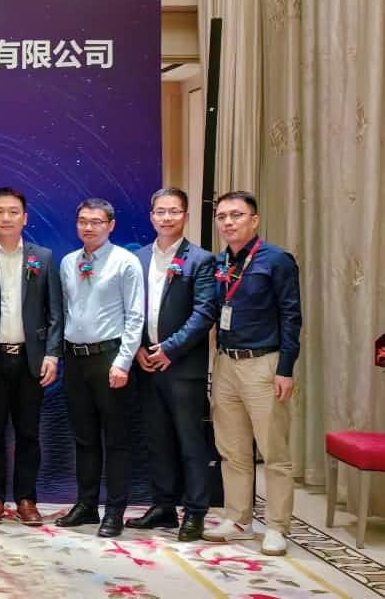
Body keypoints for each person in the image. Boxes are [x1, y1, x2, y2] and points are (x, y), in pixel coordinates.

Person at [202, 191, 302, 557]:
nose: (228, 222)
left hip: (264, 364)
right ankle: (237, 518)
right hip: (226, 362)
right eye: (222, 216)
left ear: (254, 220)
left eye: (237, 215)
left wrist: (285, 369)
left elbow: (292, 316)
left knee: (274, 451)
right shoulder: (218, 262)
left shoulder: (277, 260)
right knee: (232, 449)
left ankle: (276, 526)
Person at [126, 187, 217, 541]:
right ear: (151, 216)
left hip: (182, 367)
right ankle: (163, 506)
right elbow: (129, 309)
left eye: (174, 211)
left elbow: (204, 313)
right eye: (160, 211)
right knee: (157, 440)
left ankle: (195, 511)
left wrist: (170, 349)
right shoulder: (138, 258)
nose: (167, 218)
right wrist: (138, 349)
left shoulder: (201, 260)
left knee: (191, 442)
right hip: (147, 364)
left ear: (186, 216)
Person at [54, 197, 144, 537]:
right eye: (83, 221)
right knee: (84, 437)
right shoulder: (68, 262)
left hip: (110, 359)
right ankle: (87, 505)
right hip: (75, 360)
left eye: (96, 221)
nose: (88, 227)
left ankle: (115, 511)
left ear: (111, 225)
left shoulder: (125, 262)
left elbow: (135, 316)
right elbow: (67, 310)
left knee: (116, 439)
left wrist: (124, 362)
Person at [0, 187, 63, 526]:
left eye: (13, 212)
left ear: (25, 218)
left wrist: (52, 354)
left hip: (31, 360)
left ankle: (27, 499)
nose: (6, 218)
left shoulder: (44, 257)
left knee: (28, 433)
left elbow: (56, 312)